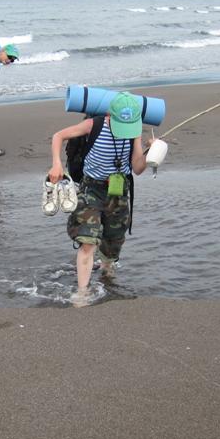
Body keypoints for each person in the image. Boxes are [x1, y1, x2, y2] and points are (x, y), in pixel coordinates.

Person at [48, 92, 149, 298]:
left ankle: (107, 272)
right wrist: (56, 163)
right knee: (88, 238)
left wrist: (151, 154)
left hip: (119, 192)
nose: (125, 132)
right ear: (110, 116)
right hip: (91, 188)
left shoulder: (133, 132)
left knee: (113, 241)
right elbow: (58, 136)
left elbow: (137, 168)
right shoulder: (93, 125)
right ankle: (82, 292)